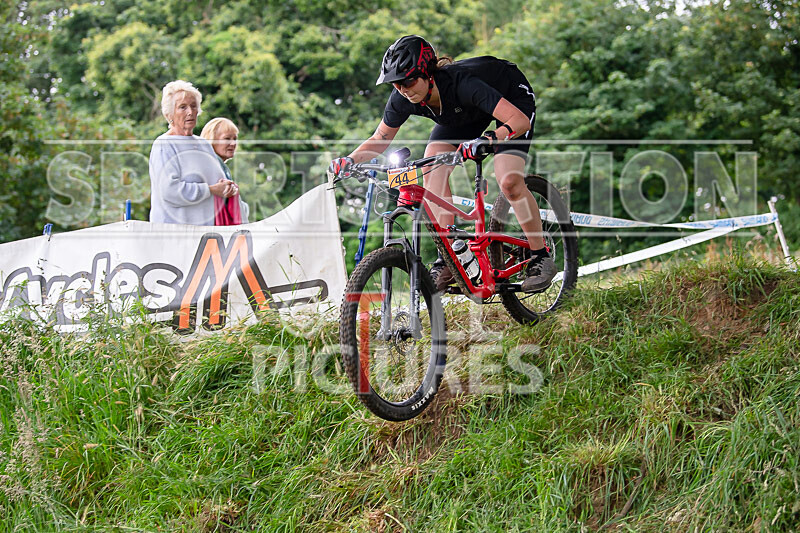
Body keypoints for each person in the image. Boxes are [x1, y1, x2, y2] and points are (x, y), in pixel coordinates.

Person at [328, 35, 556, 293]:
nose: (403, 89)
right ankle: (448, 256)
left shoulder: (463, 84)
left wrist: (492, 138)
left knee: (509, 180)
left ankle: (540, 256)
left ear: (428, 73)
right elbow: (380, 138)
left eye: (408, 80)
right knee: (431, 163)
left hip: (510, 99)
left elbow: (520, 121)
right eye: (395, 84)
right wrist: (349, 160)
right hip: (465, 114)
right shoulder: (403, 97)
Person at [149, 80, 238, 225]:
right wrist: (210, 190)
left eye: (193, 106)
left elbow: (218, 184)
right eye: (182, 107)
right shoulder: (164, 145)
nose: (190, 112)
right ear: (169, 114)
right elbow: (169, 191)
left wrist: (228, 189)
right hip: (174, 234)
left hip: (205, 235)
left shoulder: (204, 145)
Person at [200, 117, 250, 225]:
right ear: (211, 140)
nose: (233, 143)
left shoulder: (220, 166)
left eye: (235, 139)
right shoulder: (211, 166)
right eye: (227, 138)